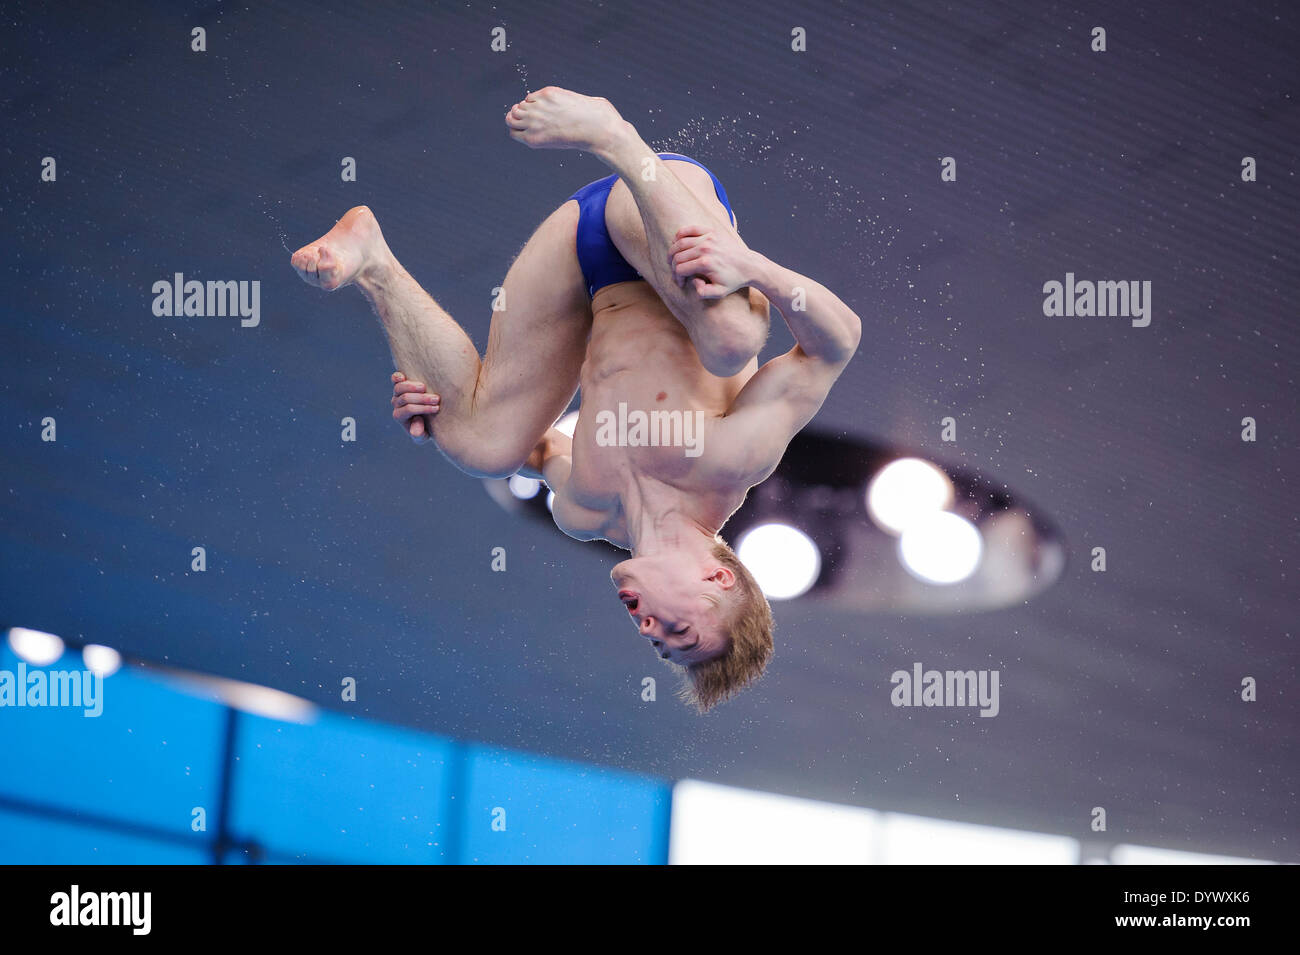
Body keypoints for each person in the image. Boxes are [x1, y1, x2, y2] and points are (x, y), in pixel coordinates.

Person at [290, 87, 861, 712]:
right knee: (732, 339)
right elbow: (834, 345)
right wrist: (749, 266)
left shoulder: (583, 512)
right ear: (717, 578)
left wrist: (438, 407)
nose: (648, 630)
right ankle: (614, 132)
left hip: (577, 264)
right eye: (679, 630)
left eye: (658, 647)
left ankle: (372, 261)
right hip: (658, 210)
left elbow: (532, 443)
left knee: (479, 448)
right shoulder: (731, 462)